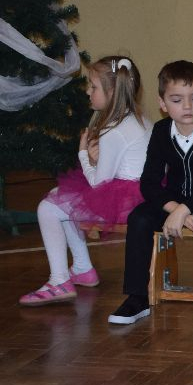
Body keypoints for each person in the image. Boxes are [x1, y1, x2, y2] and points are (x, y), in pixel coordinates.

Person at [109, 61, 193, 325]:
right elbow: (149, 183)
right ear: (163, 103)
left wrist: (185, 209)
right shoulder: (160, 131)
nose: (187, 106)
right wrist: (175, 209)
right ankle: (137, 297)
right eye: (177, 100)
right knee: (139, 218)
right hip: (173, 200)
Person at [20, 56, 151, 306]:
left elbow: (99, 186)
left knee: (48, 208)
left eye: (93, 87)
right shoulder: (138, 119)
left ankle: (59, 281)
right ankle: (82, 268)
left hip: (126, 203)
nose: (88, 91)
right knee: (61, 197)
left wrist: (83, 155)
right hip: (142, 193)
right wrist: (94, 160)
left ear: (112, 92)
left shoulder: (114, 130)